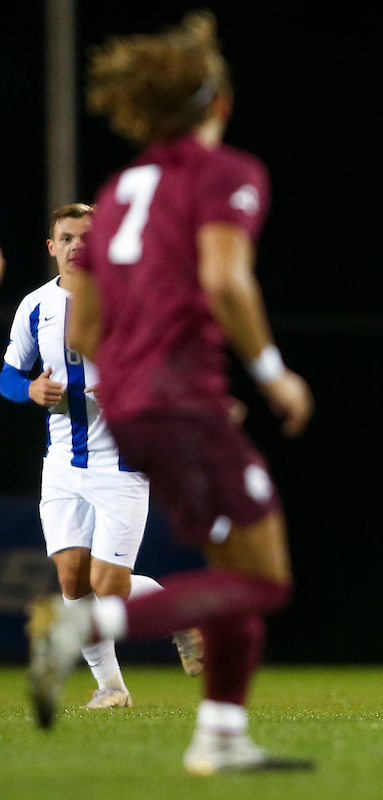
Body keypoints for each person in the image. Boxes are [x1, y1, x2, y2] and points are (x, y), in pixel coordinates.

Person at [25, 12, 314, 774]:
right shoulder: (228, 174)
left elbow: (84, 326)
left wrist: (143, 372)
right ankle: (74, 628)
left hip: (129, 409)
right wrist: (272, 371)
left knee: (236, 578)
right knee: (263, 580)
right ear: (217, 102)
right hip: (180, 406)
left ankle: (220, 737)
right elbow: (225, 278)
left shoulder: (119, 189)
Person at [3, 204, 203, 709]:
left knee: (106, 585)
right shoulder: (35, 306)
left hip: (122, 461)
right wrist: (28, 391)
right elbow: (8, 376)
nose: (76, 247)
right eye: (66, 238)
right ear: (52, 248)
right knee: (72, 581)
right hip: (63, 463)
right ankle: (111, 688)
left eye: (85, 238)